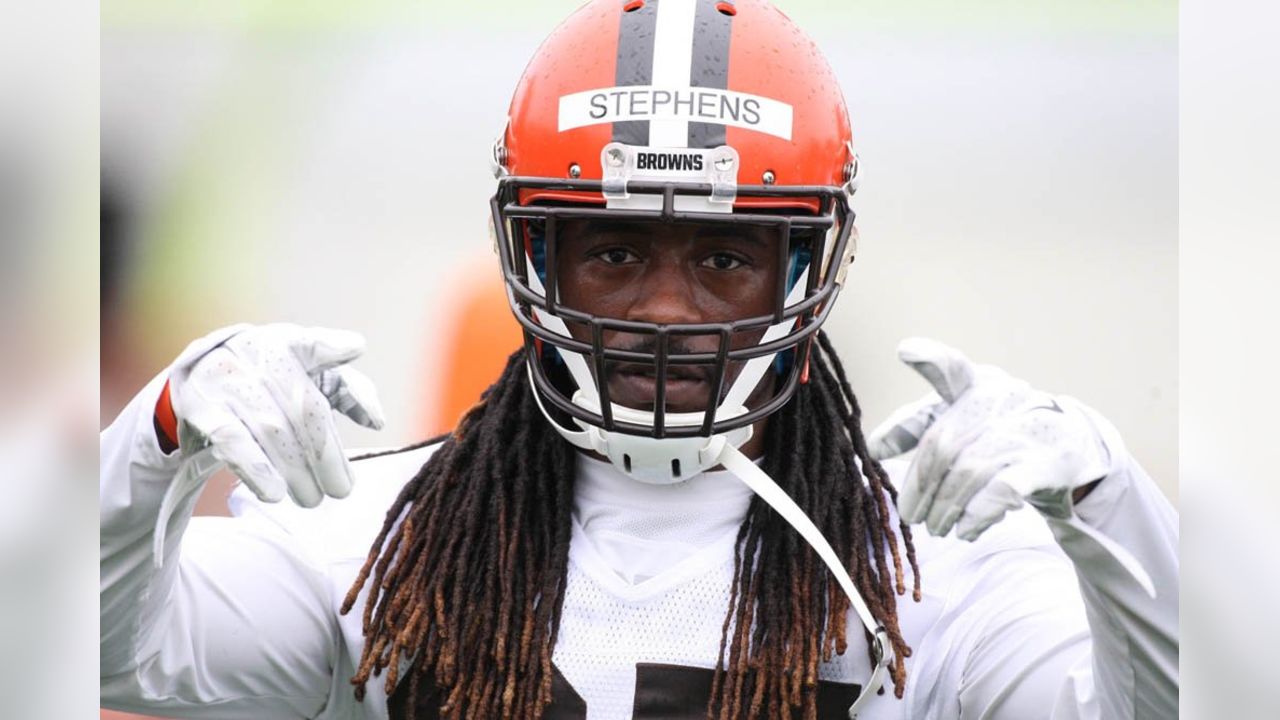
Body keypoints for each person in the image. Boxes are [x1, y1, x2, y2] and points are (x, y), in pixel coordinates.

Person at [99, 1, 1178, 718]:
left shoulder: (929, 575)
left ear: (805, 270)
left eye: (721, 254)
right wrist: (154, 439)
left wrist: (1104, 497)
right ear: (536, 257)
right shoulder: (381, 548)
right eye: (614, 250)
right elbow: (91, 653)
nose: (666, 308)